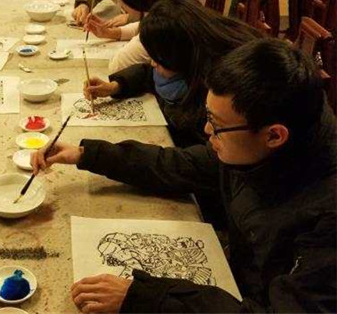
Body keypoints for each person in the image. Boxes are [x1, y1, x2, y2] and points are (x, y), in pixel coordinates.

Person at [32, 39, 336, 313]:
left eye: (217, 124)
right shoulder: (264, 148)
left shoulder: (327, 217)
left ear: (274, 136)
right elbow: (179, 165)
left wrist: (146, 298)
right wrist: (86, 154)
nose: (206, 130)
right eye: (208, 116)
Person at [85, 0, 262, 147]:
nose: (153, 63)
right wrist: (116, 86)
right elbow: (149, 73)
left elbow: (198, 159)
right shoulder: (191, 53)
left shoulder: (219, 90)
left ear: (178, 55)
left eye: (158, 58)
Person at [79, 0, 190, 72]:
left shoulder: (161, 25)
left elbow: (117, 66)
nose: (119, 5)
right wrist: (111, 32)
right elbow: (141, 26)